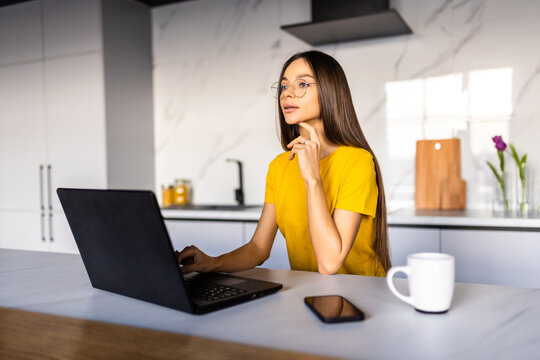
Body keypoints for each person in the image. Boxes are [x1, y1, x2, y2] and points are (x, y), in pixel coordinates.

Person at [176, 50, 390, 276]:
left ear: (330, 92)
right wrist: (212, 263)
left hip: (364, 293)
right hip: (313, 294)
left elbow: (329, 263)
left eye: (302, 84)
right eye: (284, 86)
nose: (288, 94)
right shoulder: (280, 166)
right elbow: (258, 248)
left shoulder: (357, 161)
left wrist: (312, 178)